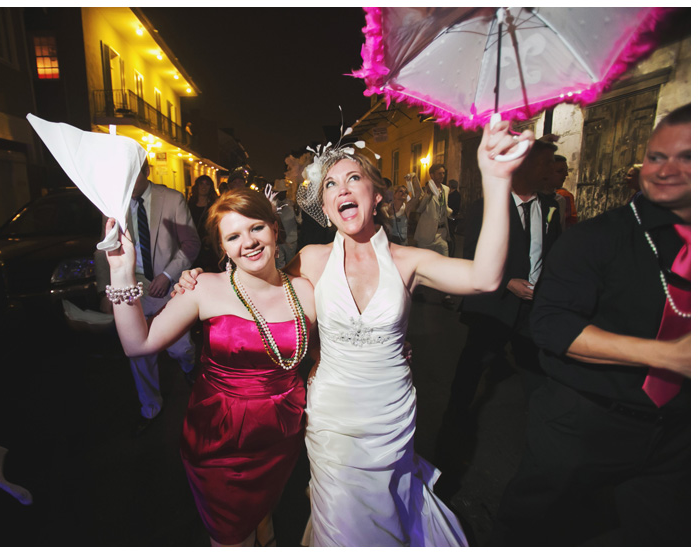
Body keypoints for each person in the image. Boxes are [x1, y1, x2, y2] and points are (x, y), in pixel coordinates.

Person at [178, 119, 534, 546]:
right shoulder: (310, 259)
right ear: (325, 208)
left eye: (353, 178)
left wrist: (496, 181)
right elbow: (258, 297)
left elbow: (486, 276)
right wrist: (200, 280)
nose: (342, 189)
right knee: (344, 527)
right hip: (332, 418)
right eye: (330, 185)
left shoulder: (408, 261)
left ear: (376, 193)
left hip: (392, 416)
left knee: (389, 514)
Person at [490, 104, 691, 547]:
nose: (668, 169)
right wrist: (667, 356)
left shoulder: (557, 207)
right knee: (532, 530)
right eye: (657, 156)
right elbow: (552, 324)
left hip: (677, 433)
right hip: (585, 422)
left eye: (687, 156)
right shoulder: (600, 238)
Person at [105, 188, 317, 547]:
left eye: (256, 228)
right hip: (221, 443)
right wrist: (121, 272)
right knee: (231, 538)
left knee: (264, 521)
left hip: (281, 438)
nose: (247, 242)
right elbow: (137, 344)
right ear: (222, 246)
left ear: (274, 229)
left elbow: (323, 354)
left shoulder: (305, 290)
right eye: (233, 236)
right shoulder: (203, 287)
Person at [435, 139, 561, 494]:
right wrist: (508, 282)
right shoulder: (486, 207)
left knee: (541, 383)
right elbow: (474, 258)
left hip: (533, 313)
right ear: (524, 166)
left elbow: (550, 255)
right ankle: (448, 452)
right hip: (494, 308)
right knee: (468, 380)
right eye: (546, 163)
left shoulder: (552, 206)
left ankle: (544, 457)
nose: (552, 170)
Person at [95, 160, 201, 437]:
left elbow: (191, 243)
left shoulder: (171, 199)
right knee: (140, 354)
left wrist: (167, 274)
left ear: (145, 172)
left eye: (128, 175)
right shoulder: (111, 206)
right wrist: (106, 290)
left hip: (166, 285)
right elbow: (101, 251)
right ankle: (150, 407)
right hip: (131, 286)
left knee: (180, 347)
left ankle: (190, 367)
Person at [408, 163, 452, 255]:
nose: (442, 176)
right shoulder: (425, 191)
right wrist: (428, 195)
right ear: (432, 175)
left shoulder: (446, 189)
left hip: (441, 234)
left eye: (443, 173)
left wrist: (449, 212)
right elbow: (419, 209)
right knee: (425, 265)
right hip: (426, 234)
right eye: (439, 173)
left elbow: (444, 206)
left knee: (444, 263)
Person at [188, 174, 220, 272]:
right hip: (192, 242)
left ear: (211, 187)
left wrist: (211, 237)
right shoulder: (190, 204)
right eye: (201, 184)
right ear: (197, 186)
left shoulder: (214, 204)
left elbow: (218, 223)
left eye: (207, 184)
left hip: (208, 245)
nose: (204, 187)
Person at [271, 179, 299, 268]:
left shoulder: (292, 204)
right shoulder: (273, 205)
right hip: (279, 240)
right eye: (278, 192)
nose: (280, 193)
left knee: (291, 264)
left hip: (291, 240)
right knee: (279, 265)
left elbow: (299, 221)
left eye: (282, 191)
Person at [552, 155, 577, 229]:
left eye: (566, 170)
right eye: (560, 171)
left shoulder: (562, 198)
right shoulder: (530, 198)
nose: (566, 174)